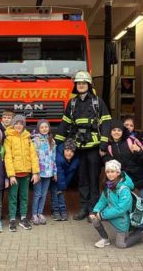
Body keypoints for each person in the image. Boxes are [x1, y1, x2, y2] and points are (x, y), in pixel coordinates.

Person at [55, 70, 112, 221]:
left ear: (88, 85)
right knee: (82, 179)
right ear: (75, 86)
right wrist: (55, 144)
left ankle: (93, 210)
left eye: (83, 83)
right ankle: (83, 208)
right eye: (78, 83)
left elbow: (106, 123)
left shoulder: (98, 102)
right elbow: (65, 124)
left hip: (94, 148)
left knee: (94, 179)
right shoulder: (72, 103)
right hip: (78, 148)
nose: (80, 85)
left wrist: (103, 146)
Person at [90, 160, 142, 248]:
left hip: (122, 219)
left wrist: (102, 215)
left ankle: (140, 234)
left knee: (121, 245)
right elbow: (102, 201)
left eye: (112, 171)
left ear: (118, 172)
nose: (110, 174)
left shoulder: (124, 189)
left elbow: (121, 209)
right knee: (93, 218)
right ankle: (105, 239)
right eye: (108, 172)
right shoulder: (108, 186)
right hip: (111, 214)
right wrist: (95, 211)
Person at [4, 115, 40, 232]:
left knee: (24, 197)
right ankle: (12, 219)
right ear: (13, 125)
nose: (18, 126)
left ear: (23, 125)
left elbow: (33, 156)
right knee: (13, 197)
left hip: (26, 174)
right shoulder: (8, 138)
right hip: (15, 175)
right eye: (16, 123)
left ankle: (23, 218)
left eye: (21, 124)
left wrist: (35, 173)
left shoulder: (28, 138)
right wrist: (11, 175)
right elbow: (8, 158)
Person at [105, 119, 143, 197]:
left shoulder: (131, 141)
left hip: (139, 178)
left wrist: (139, 151)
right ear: (110, 132)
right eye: (114, 130)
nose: (116, 132)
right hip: (126, 180)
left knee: (140, 201)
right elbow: (112, 167)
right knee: (109, 187)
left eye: (119, 130)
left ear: (122, 131)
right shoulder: (110, 147)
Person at [31, 119, 57, 225]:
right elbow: (33, 158)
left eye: (46, 127)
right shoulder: (35, 141)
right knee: (37, 194)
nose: (44, 129)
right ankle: (34, 214)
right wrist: (35, 172)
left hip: (48, 172)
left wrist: (54, 172)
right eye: (42, 127)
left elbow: (54, 158)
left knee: (44, 194)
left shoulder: (52, 141)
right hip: (38, 172)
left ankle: (40, 213)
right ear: (38, 128)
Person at [53, 138, 79, 221]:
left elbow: (69, 175)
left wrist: (64, 186)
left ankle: (63, 211)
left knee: (61, 194)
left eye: (72, 151)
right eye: (67, 150)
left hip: (63, 180)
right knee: (55, 193)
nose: (69, 153)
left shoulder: (75, 161)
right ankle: (56, 211)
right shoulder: (59, 158)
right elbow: (60, 173)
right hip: (55, 177)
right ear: (63, 150)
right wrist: (62, 187)